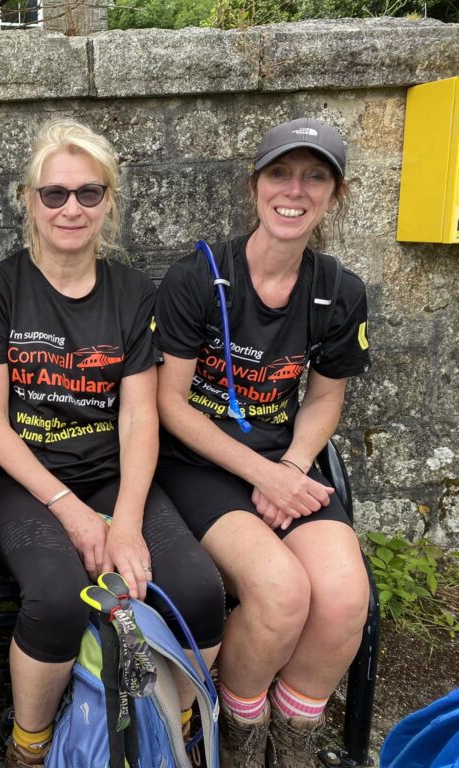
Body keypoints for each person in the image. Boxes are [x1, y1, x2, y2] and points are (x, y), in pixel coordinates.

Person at [0, 118, 225, 768]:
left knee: (196, 588)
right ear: (29, 200)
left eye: (88, 192)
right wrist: (72, 512)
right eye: (54, 193)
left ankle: (173, 728)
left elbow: (140, 418)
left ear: (109, 201)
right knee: (53, 595)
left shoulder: (133, 293)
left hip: (113, 474)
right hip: (25, 479)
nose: (70, 207)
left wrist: (126, 520)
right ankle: (31, 745)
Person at [154, 117, 372, 768]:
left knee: (342, 597)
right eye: (280, 172)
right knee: (281, 593)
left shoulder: (338, 290)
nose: (295, 190)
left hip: (287, 463)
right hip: (198, 465)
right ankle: (238, 737)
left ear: (335, 194)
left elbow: (325, 396)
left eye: (315, 177)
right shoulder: (200, 275)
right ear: (255, 186)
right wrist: (265, 475)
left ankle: (291, 743)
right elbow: (168, 403)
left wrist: (295, 465)